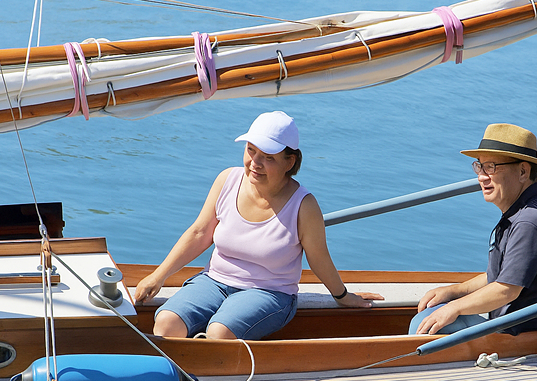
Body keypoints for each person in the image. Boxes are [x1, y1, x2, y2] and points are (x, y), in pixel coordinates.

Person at [135, 111, 382, 340]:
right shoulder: (227, 180)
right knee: (166, 323)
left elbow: (319, 258)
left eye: (268, 158)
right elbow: (199, 232)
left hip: (270, 293)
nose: (255, 162)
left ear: (289, 162)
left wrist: (342, 296)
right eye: (251, 150)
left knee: (219, 333)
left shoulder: (304, 206)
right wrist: (158, 276)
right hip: (213, 281)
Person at [411, 123, 537, 336]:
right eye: (480, 166)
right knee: (432, 312)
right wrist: (453, 292)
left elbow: (506, 289)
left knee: (426, 324)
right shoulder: (526, 211)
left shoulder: (530, 222)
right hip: (518, 329)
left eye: (491, 167)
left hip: (525, 337)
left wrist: (454, 307)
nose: (481, 176)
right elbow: (500, 276)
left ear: (523, 171)